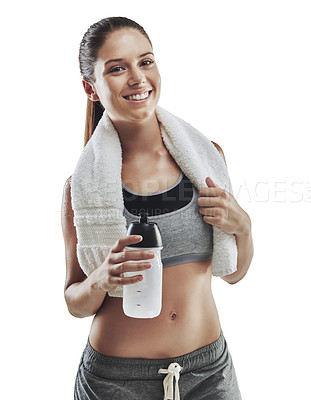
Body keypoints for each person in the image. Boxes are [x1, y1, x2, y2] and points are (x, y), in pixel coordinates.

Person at [61, 16, 254, 400]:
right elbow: (74, 302)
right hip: (116, 380)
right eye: (117, 69)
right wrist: (101, 278)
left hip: (209, 374)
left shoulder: (208, 161)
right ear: (91, 87)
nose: (137, 78)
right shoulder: (79, 189)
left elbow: (234, 274)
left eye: (145, 62)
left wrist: (244, 227)